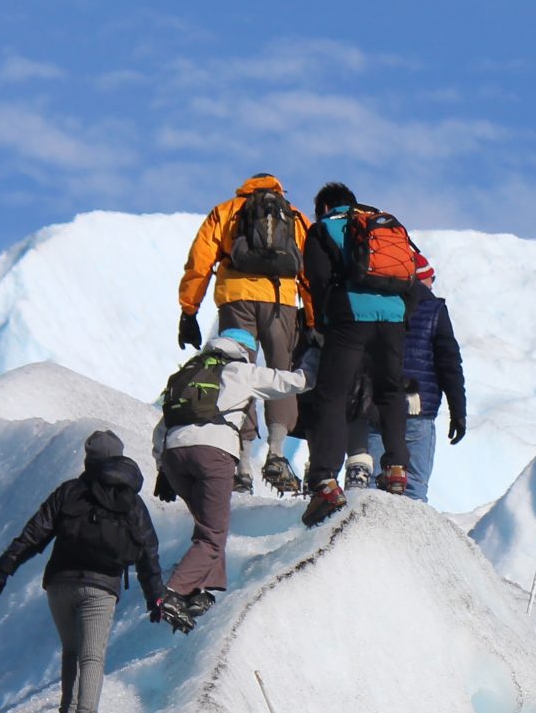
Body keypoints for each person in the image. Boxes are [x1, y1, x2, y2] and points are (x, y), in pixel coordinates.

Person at [0, 429, 167, 713]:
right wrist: (155, 596)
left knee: (72, 650)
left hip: (60, 583)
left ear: (89, 459)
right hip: (101, 587)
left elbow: (36, 533)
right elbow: (148, 550)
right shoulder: (130, 499)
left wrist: (6, 566)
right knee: (92, 656)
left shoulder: (70, 492)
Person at [152, 329, 311, 630]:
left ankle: (201, 591)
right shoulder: (241, 370)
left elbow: (162, 427)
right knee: (212, 534)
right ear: (245, 351)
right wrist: (315, 361)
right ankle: (172, 593)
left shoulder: (189, 372)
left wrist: (162, 468)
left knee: (208, 525)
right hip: (214, 454)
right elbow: (291, 383)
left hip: (174, 456)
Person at [176, 173, 313, 495]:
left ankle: (242, 463)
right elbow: (308, 272)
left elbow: (200, 262)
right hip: (281, 301)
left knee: (236, 373)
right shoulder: (294, 217)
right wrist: (312, 316)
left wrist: (189, 310)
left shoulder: (226, 211)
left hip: (236, 299)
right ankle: (277, 452)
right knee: (282, 372)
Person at [299, 182, 415, 524]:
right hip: (392, 317)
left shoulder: (324, 229)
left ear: (323, 208)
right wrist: (400, 315)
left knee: (332, 396)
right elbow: (411, 275)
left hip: (350, 318)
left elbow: (318, 280)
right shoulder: (384, 226)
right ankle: (396, 468)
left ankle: (324, 481)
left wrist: (322, 322)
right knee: (390, 391)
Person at [395, 252, 466, 502]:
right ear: (422, 279)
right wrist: (458, 411)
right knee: (413, 488)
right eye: (430, 278)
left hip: (377, 407)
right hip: (418, 411)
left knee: (371, 486)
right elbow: (449, 364)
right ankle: (406, 540)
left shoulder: (380, 304)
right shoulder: (435, 310)